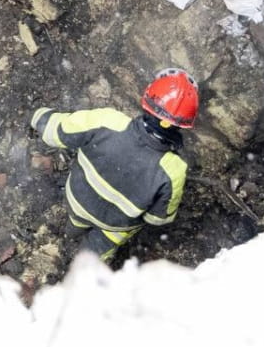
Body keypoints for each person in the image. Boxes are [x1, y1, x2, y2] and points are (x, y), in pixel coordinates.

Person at [29, 68, 199, 264]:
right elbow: (157, 219)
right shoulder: (174, 171)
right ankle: (83, 268)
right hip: (114, 228)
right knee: (94, 257)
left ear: (147, 101)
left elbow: (56, 130)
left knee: (76, 221)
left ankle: (71, 233)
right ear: (183, 124)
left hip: (78, 200)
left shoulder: (108, 122)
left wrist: (36, 117)